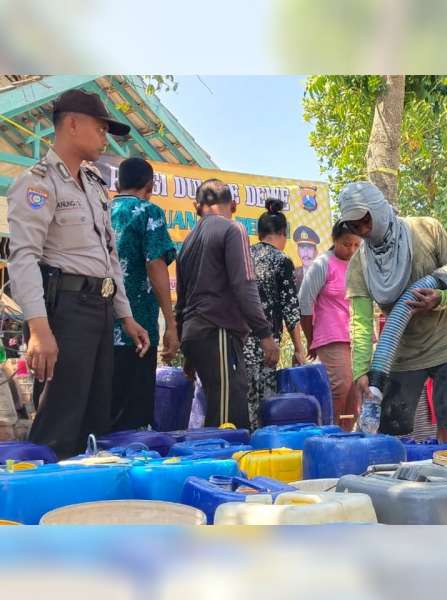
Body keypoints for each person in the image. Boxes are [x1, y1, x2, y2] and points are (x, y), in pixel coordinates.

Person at [6, 89, 149, 458]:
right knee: (59, 422)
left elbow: (109, 258)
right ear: (71, 124)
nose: (105, 138)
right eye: (100, 128)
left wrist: (125, 316)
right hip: (64, 311)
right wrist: (39, 329)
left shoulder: (95, 187)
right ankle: (40, 509)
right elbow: (23, 257)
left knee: (94, 424)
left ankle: (82, 507)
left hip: (99, 311)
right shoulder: (38, 183)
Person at [341, 181, 447, 443]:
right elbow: (361, 322)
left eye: (367, 221)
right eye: (355, 227)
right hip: (402, 352)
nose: (365, 230)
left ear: (378, 210)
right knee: (392, 428)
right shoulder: (359, 265)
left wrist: (439, 297)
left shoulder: (426, 230)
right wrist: (362, 372)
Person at [175, 179, 279, 430]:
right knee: (227, 419)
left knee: (220, 409)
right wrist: (265, 334)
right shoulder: (233, 229)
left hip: (195, 335)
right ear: (234, 205)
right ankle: (221, 469)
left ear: (195, 207)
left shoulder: (186, 243)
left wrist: (186, 353)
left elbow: (181, 301)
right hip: (217, 330)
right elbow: (244, 284)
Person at [109, 157, 178, 430]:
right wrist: (171, 324)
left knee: (103, 416)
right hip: (138, 334)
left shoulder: (101, 210)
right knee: (132, 422)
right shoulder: (149, 212)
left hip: (98, 330)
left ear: (118, 183)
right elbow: (155, 263)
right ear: (150, 185)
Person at [243, 199, 306, 430]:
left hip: (239, 342)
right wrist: (299, 349)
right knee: (265, 403)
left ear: (259, 233)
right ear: (282, 233)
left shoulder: (243, 256)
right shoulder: (282, 260)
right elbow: (291, 308)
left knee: (245, 402)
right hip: (267, 343)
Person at [298, 221, 362, 430]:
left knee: (356, 390)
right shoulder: (322, 264)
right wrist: (311, 339)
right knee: (340, 387)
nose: (351, 249)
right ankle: (329, 432)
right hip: (331, 337)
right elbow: (305, 302)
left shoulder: (360, 264)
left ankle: (346, 436)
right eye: (346, 244)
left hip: (359, 336)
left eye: (356, 245)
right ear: (334, 240)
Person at [292, 224, 320, 289]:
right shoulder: (293, 274)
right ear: (298, 252)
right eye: (302, 247)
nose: (306, 252)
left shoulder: (322, 274)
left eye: (310, 248)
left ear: (315, 251)